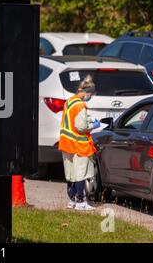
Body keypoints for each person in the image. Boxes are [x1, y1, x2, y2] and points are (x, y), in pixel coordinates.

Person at [58, 75, 100, 211]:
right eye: (91, 95)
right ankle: (81, 202)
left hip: (66, 143)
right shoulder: (81, 105)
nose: (90, 97)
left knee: (70, 173)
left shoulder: (69, 101)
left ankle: (72, 200)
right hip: (78, 144)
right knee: (80, 174)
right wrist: (93, 125)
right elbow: (81, 127)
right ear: (88, 93)